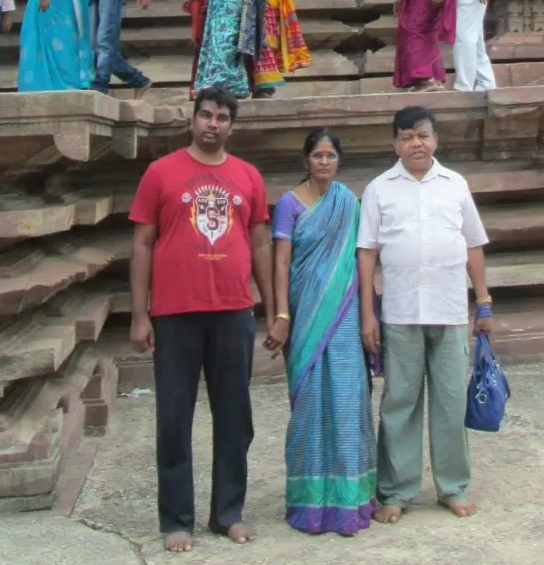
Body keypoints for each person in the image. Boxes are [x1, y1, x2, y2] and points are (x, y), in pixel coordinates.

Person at [129, 87, 275, 551]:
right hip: (174, 313)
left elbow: (259, 244)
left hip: (233, 310)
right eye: (206, 115)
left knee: (235, 417)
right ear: (193, 119)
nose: (213, 124)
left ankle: (227, 512)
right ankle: (176, 519)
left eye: (222, 117)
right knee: (174, 418)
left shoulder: (247, 176)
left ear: (232, 125)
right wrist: (139, 314)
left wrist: (274, 309)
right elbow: (141, 245)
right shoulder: (160, 173)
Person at [357, 106, 494, 524]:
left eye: (422, 135)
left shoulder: (455, 185)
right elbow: (367, 254)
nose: (415, 143)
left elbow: (473, 244)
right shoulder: (380, 189)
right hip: (399, 313)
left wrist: (483, 302)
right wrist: (368, 314)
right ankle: (397, 490)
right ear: (394, 143)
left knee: (451, 402)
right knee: (400, 401)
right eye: (406, 136)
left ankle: (452, 486)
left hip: (450, 310)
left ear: (435, 140)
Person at [267, 128, 376, 536]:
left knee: (347, 401)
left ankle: (350, 501)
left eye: (331, 155)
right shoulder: (289, 204)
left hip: (345, 315)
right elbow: (281, 263)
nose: (324, 162)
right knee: (310, 405)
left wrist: (368, 315)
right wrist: (281, 314)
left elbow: (360, 258)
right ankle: (310, 502)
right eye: (317, 155)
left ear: (339, 161)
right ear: (306, 160)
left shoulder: (348, 202)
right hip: (305, 313)